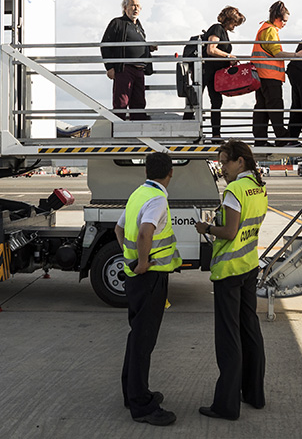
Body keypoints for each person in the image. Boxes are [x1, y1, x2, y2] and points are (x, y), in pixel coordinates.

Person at [194, 140, 267, 420]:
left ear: (240, 162)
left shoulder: (235, 189)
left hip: (229, 270)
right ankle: (254, 394)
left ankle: (226, 405)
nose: (222, 168)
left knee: (228, 338)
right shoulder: (258, 186)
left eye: (225, 162)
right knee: (250, 331)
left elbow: (230, 231)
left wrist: (207, 227)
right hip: (249, 265)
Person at [115, 151, 182, 426]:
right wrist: (143, 262)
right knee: (144, 340)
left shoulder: (137, 194)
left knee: (137, 336)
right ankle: (142, 405)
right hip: (150, 278)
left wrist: (130, 259)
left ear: (145, 171)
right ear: (170, 173)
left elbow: (118, 229)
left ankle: (132, 393)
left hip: (135, 278)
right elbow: (145, 232)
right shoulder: (157, 199)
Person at [251, 1, 302, 146]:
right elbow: (277, 53)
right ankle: (283, 138)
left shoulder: (263, 28)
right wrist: (298, 55)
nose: (284, 24)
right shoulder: (270, 30)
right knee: (275, 107)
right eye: (283, 20)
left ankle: (260, 140)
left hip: (260, 76)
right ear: (276, 17)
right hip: (269, 76)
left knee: (262, 108)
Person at [102, 0, 157, 121]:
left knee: (139, 101)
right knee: (121, 100)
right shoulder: (117, 23)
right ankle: (118, 127)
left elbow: (136, 43)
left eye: (138, 6)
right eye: (133, 5)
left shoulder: (139, 26)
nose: (136, 8)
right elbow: (105, 44)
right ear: (125, 8)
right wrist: (109, 67)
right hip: (124, 68)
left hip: (139, 69)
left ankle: (139, 126)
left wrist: (148, 47)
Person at [202, 6, 246, 139]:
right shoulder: (217, 29)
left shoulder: (223, 31)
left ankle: (216, 134)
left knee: (216, 102)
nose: (235, 26)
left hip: (215, 73)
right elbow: (211, 49)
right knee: (201, 100)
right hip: (207, 71)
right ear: (229, 20)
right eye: (235, 22)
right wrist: (228, 56)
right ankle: (214, 134)